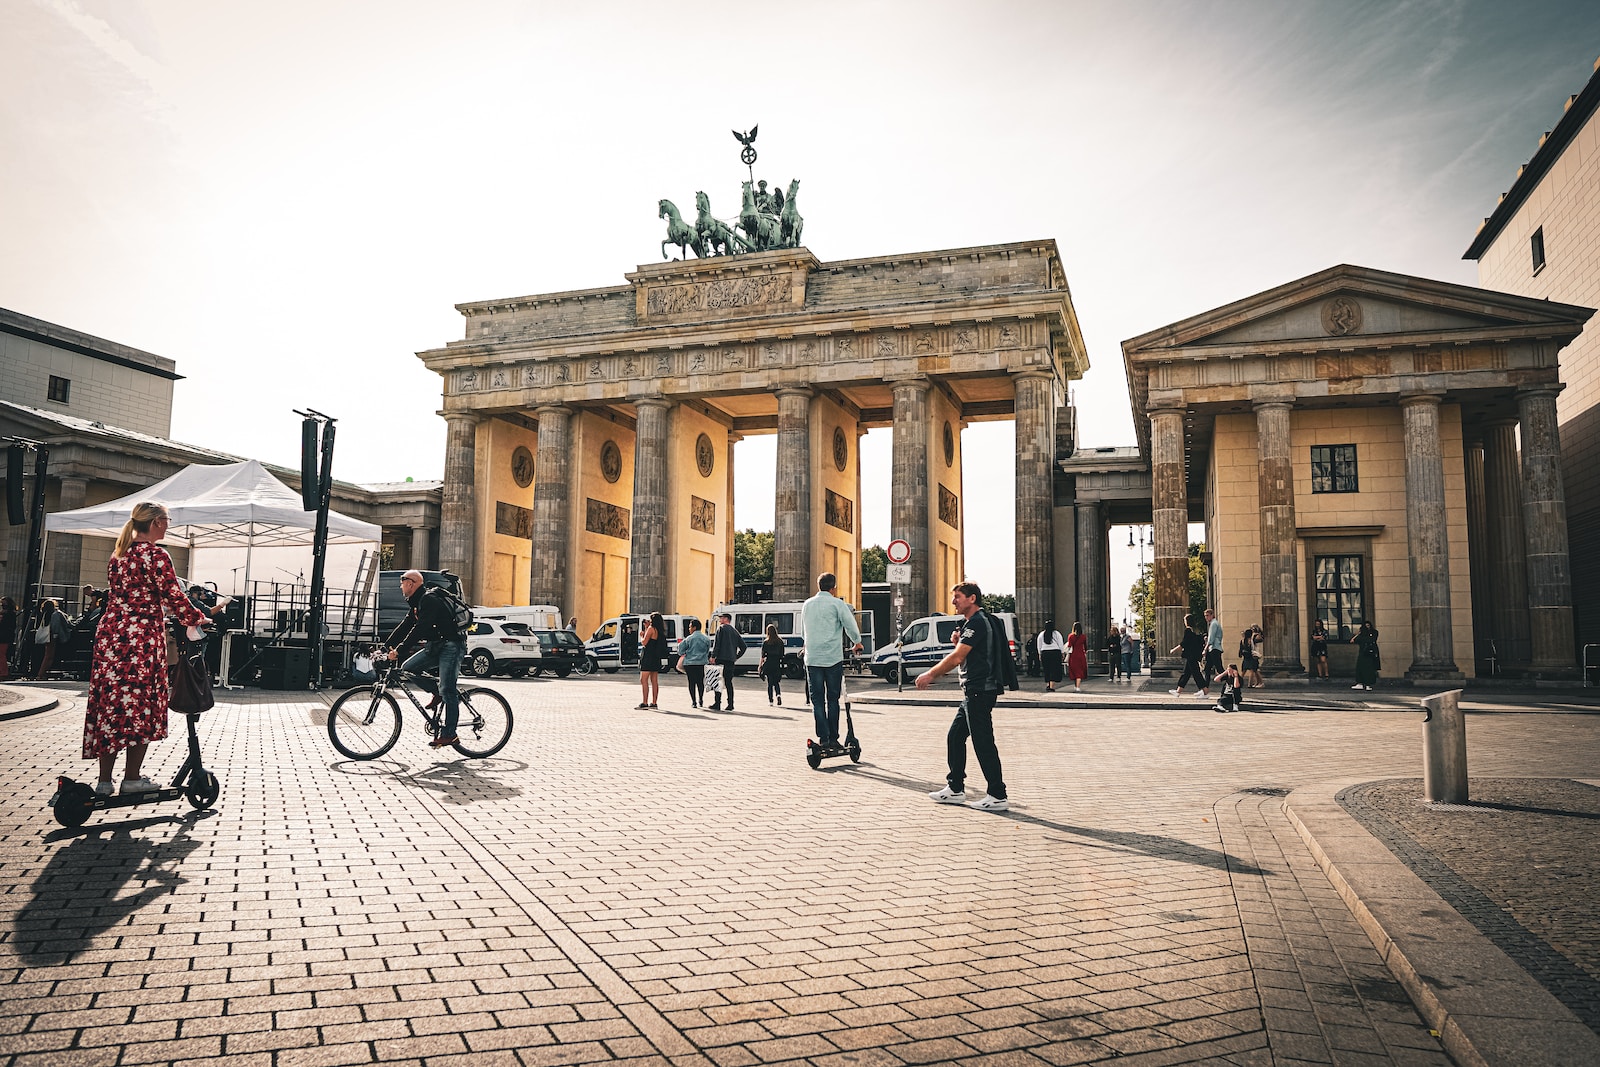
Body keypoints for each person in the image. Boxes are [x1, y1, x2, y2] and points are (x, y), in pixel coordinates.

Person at [83, 502, 210, 795]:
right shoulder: (155, 555)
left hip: (111, 635)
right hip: (140, 638)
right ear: (155, 523)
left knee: (111, 704)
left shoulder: (118, 555)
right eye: (166, 520)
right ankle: (131, 778)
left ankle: (104, 781)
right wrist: (197, 617)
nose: (168, 525)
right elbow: (173, 594)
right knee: (140, 704)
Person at [918, 581, 1018, 812]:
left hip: (980, 689)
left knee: (983, 742)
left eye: (958, 597)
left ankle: (997, 794)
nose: (953, 601)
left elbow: (956, 658)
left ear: (972, 599)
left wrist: (930, 674)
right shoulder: (974, 623)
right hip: (973, 690)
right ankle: (955, 789)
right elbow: (965, 654)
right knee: (955, 737)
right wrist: (957, 643)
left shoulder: (977, 623)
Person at [382, 570, 468, 747]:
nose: (401, 586)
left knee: (448, 689)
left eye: (402, 582)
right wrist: (385, 646)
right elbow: (405, 626)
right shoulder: (417, 603)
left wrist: (399, 650)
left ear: (411, 583)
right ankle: (437, 692)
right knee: (408, 668)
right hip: (435, 646)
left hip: (451, 646)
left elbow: (420, 628)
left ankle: (449, 733)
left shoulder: (428, 599)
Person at [800, 572, 863, 749]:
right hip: (833, 658)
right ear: (833, 588)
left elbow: (804, 632)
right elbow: (849, 624)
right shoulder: (837, 604)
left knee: (817, 700)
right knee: (833, 699)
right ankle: (834, 738)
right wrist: (857, 642)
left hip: (812, 658)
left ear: (818, 585)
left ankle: (823, 738)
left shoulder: (807, 604)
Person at [709, 612, 746, 711]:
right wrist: (736, 656)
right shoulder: (735, 631)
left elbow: (717, 644)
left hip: (720, 659)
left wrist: (713, 656)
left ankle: (717, 703)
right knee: (729, 683)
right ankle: (730, 704)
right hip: (730, 660)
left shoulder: (720, 629)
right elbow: (744, 647)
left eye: (721, 618)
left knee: (718, 682)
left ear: (726, 619)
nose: (720, 620)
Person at [1169, 614, 1210, 698]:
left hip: (1190, 655)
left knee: (1196, 674)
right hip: (1194, 655)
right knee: (1186, 673)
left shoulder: (1188, 630)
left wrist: (1174, 649)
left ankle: (1205, 691)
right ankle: (1178, 691)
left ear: (1187, 621)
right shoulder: (1196, 630)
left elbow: (1184, 643)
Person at [31, 599, 71, 680]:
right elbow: (56, 626)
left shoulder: (46, 614)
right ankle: (41, 674)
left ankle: (41, 674)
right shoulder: (56, 614)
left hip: (48, 636)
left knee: (47, 655)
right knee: (49, 656)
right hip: (52, 637)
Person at [676, 618, 712, 708]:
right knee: (700, 682)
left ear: (694, 628)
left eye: (690, 627)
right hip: (702, 663)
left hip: (690, 663)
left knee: (691, 682)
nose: (689, 629)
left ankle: (694, 702)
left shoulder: (688, 639)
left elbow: (680, 650)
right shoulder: (706, 639)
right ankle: (701, 699)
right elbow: (707, 651)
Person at [636, 611, 665, 709]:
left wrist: (641, 635)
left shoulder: (651, 629)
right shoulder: (659, 630)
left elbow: (644, 642)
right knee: (654, 681)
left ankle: (645, 702)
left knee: (643, 679)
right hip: (656, 657)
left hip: (648, 656)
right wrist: (646, 628)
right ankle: (654, 702)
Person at [759, 624, 786, 706]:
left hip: (768, 663)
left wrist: (760, 666)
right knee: (776, 682)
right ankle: (778, 695)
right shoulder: (780, 641)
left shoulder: (766, 642)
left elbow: (763, 655)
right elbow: (782, 654)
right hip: (776, 663)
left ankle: (771, 701)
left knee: (770, 684)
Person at [1351, 621, 1380, 690]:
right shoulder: (1362, 634)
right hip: (1363, 652)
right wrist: (1358, 634)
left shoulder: (1374, 632)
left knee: (1369, 668)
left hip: (1370, 652)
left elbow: (1371, 640)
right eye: (1366, 626)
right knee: (1360, 667)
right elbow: (1353, 640)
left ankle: (1368, 684)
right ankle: (1360, 683)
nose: (1367, 627)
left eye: (1368, 625)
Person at [1036, 621, 1064, 692]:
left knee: (1047, 669)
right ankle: (1051, 686)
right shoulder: (1056, 633)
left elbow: (1039, 645)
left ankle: (1048, 684)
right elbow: (1060, 643)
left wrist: (1039, 653)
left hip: (1045, 652)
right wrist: (1062, 652)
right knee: (1054, 669)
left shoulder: (1041, 634)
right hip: (1055, 652)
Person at [1065, 621, 1088, 691]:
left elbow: (1069, 646)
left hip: (1073, 656)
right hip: (1080, 655)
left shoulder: (1070, 636)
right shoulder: (1083, 637)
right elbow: (1085, 647)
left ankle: (1076, 686)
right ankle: (1078, 686)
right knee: (1079, 671)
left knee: (1074, 671)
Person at [1203, 609, 1224, 680]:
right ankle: (1205, 687)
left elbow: (1211, 639)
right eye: (1205, 616)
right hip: (1213, 648)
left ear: (1212, 615)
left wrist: (1205, 649)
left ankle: (1231, 681)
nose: (1206, 617)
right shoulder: (1214, 623)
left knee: (1219, 669)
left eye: (1207, 615)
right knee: (1207, 668)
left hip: (1214, 648)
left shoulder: (1213, 624)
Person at [0, 595, 15, 679]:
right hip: (4, 637)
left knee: (1, 654)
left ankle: (3, 672)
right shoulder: (7, 614)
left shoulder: (9, 614)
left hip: (4, 638)